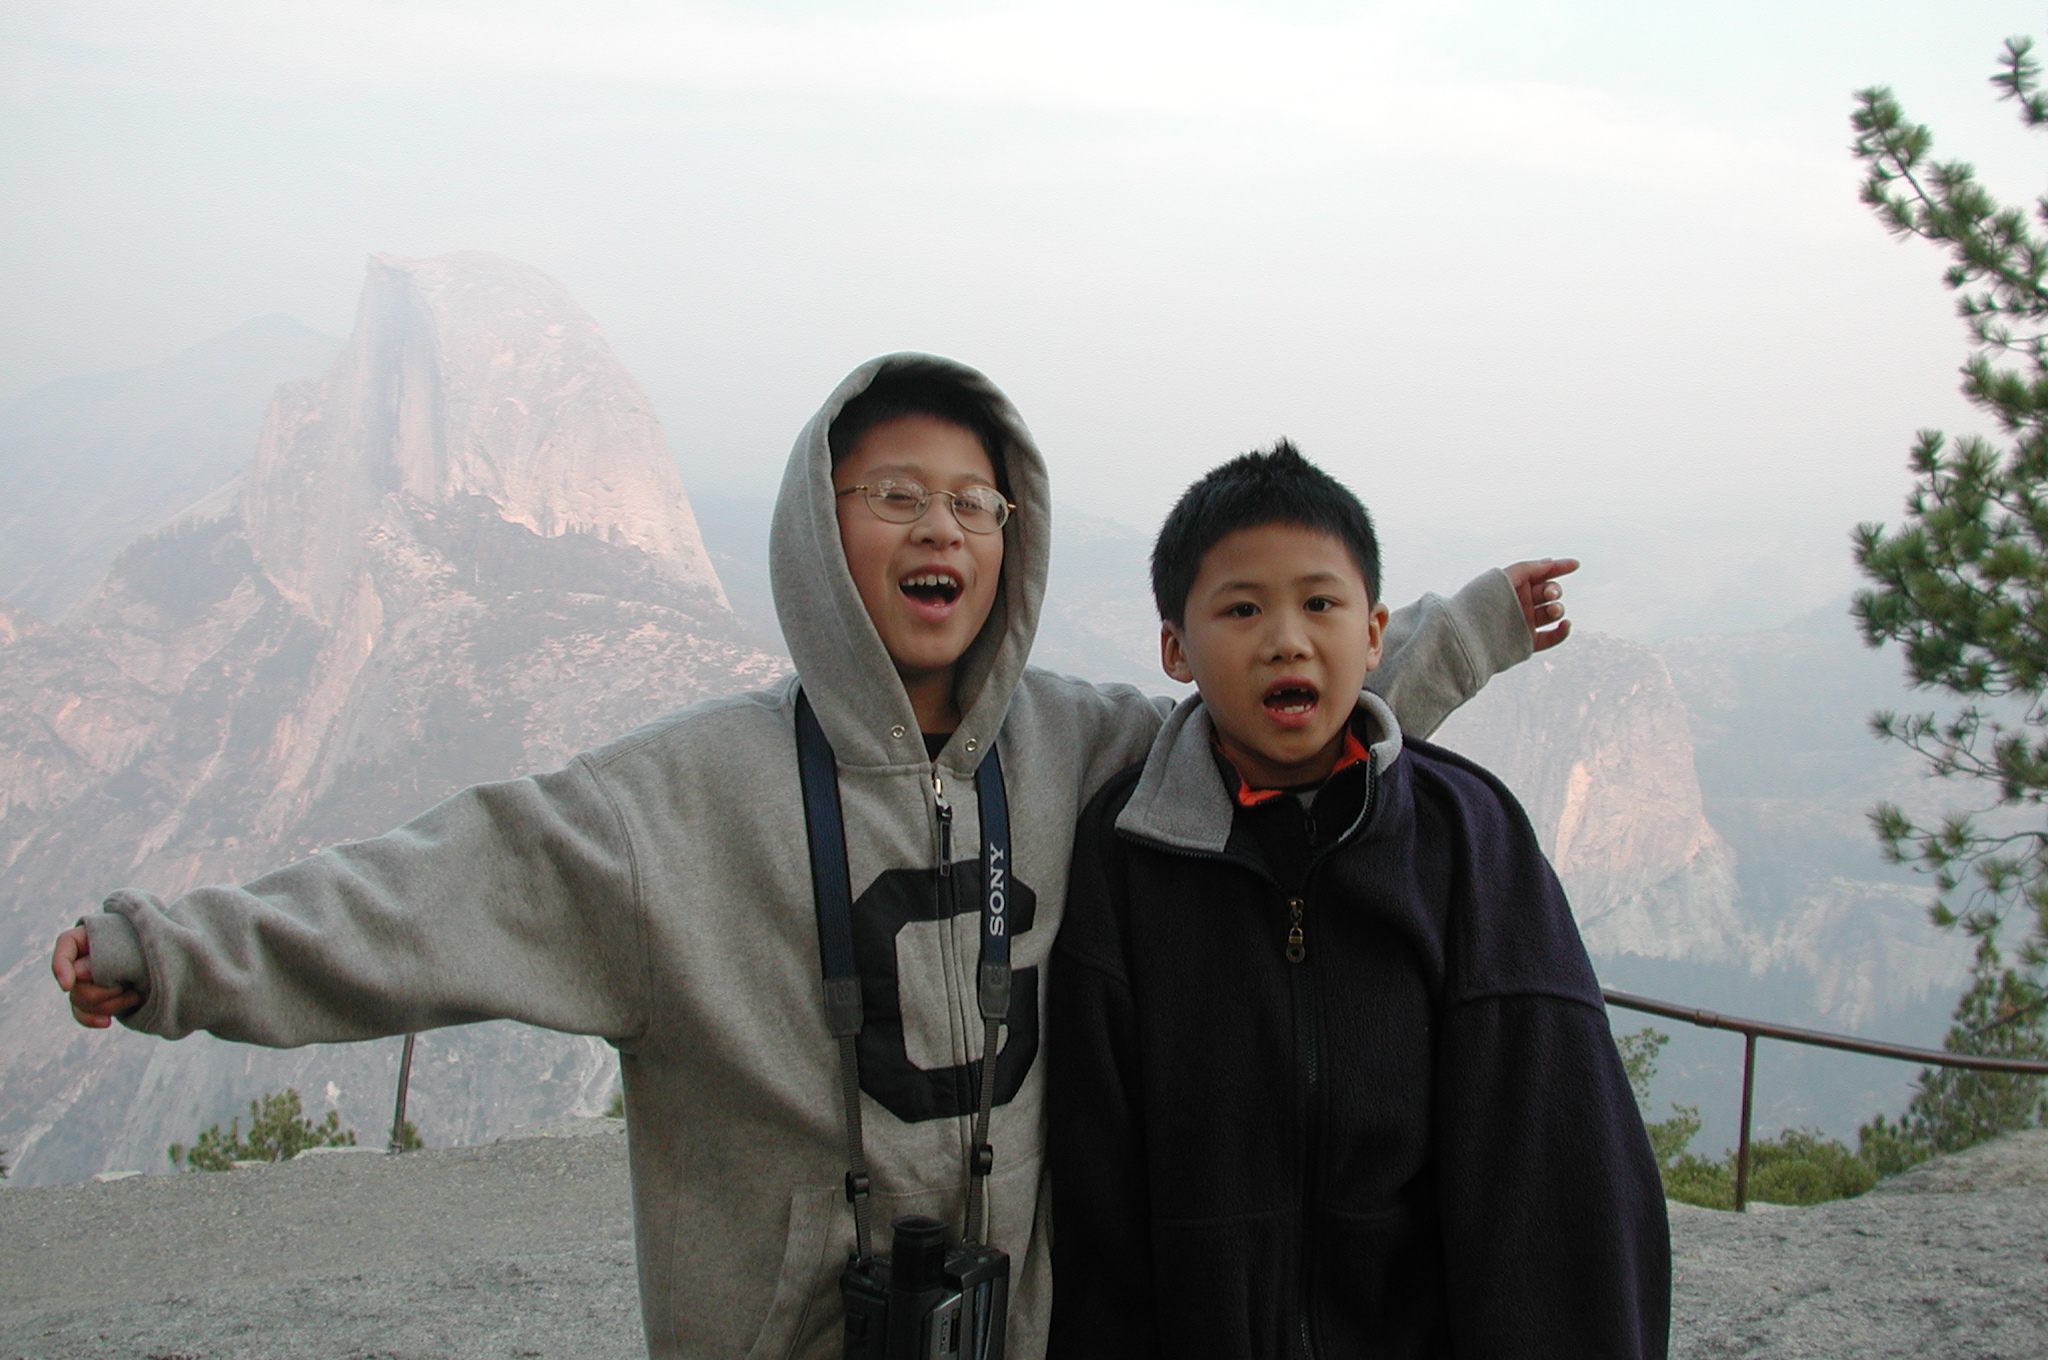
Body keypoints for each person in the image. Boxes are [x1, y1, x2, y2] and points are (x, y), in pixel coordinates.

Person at [51, 356, 1575, 1360]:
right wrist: (172, 955)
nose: (941, 530)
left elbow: (1272, 710)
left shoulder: (1087, 749)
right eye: (895, 497)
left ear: (1016, 542)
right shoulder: (680, 803)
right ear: (817, 528)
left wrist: (1462, 638)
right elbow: (442, 886)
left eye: (975, 504)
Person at [1047, 442, 1665, 1359]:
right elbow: (1096, 1192)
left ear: (1374, 635)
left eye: (1321, 604)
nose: (1287, 639)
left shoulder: (1466, 840)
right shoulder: (1127, 857)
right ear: (1176, 648)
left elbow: (1554, 1166)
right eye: (1242, 608)